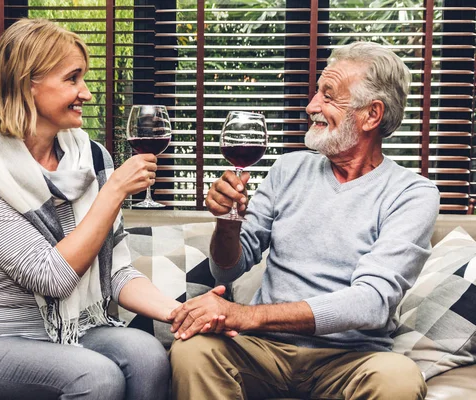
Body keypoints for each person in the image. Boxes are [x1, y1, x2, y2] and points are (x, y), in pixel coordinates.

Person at [168, 41, 440, 400]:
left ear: (371, 115)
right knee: (192, 352)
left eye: (328, 96)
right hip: (264, 352)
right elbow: (226, 271)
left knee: (399, 378)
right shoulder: (289, 169)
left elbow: (371, 302)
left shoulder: (412, 193)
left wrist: (247, 315)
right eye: (316, 92)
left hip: (351, 360)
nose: (312, 106)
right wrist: (228, 222)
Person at [0, 18, 181, 400]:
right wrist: (115, 192)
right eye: (72, 79)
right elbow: (51, 278)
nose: (86, 93)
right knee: (97, 377)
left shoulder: (92, 157)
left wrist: (179, 313)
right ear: (28, 83)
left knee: (148, 356)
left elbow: (116, 273)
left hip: (79, 328)